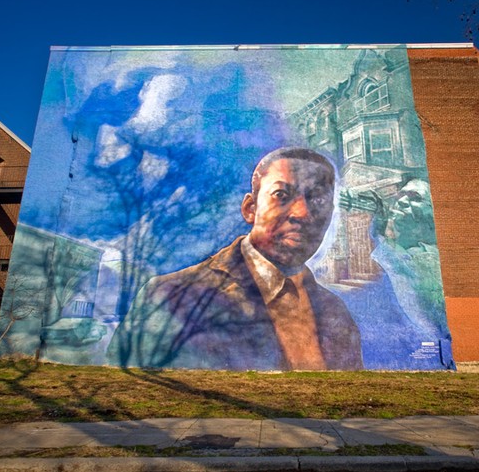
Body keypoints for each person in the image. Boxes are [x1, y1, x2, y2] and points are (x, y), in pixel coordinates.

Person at [106, 147, 362, 370]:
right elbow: (123, 402)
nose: (302, 213)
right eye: (281, 196)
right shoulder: (169, 297)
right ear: (250, 209)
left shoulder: (335, 312)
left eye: (317, 198)